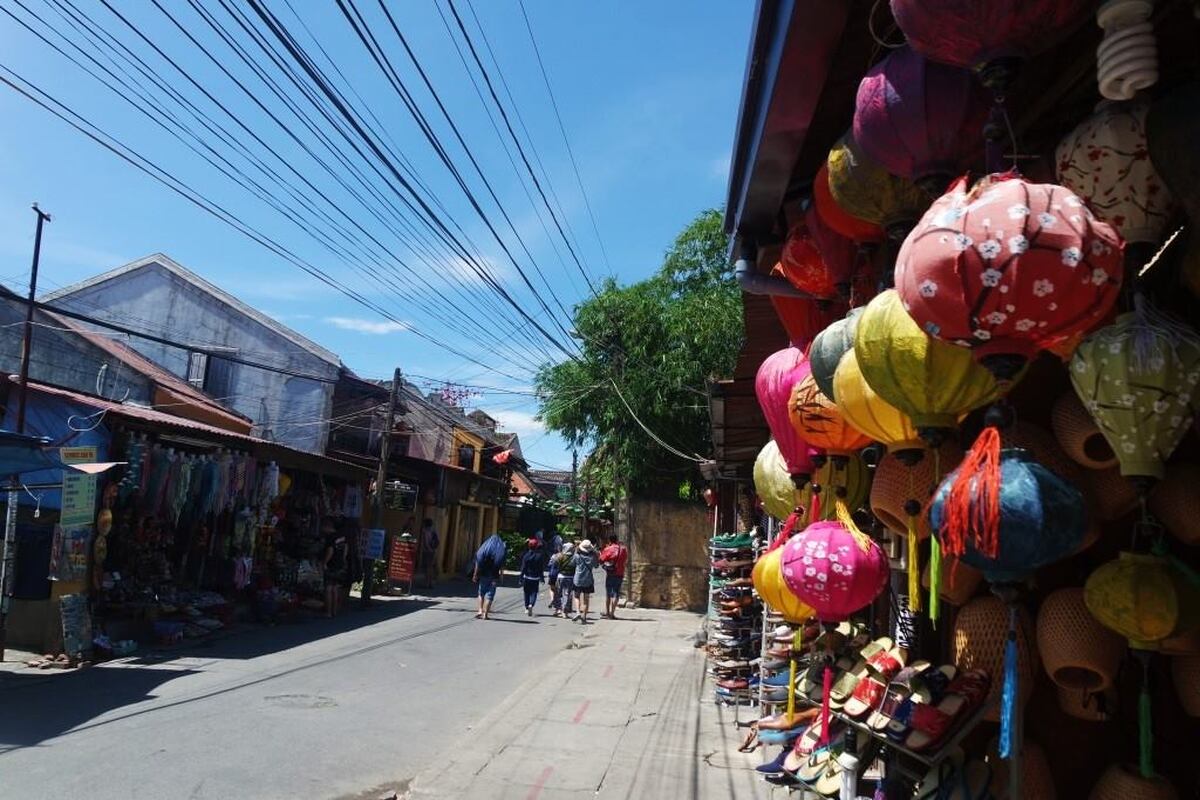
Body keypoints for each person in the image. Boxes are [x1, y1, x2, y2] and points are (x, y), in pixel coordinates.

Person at [472, 532, 506, 620]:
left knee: (481, 593)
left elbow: (477, 563)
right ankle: (485, 614)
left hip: (483, 575)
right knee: (490, 596)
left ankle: (480, 610)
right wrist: (501, 576)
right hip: (494, 577)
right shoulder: (499, 552)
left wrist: (475, 574)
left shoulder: (484, 551)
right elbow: (501, 565)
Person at [321, 519, 348, 618]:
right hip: (340, 564)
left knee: (328, 588)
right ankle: (335, 611)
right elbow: (346, 548)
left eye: (323, 528)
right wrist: (343, 559)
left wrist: (325, 562)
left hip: (331, 565)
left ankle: (328, 612)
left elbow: (330, 551)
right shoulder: (342, 536)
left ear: (327, 527)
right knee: (336, 588)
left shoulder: (330, 538)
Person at [598, 533, 629, 620]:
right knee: (616, 593)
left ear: (610, 540)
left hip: (611, 573)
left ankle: (608, 613)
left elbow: (601, 559)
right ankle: (612, 613)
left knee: (609, 594)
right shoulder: (623, 549)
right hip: (620, 573)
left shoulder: (609, 549)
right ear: (617, 539)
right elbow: (625, 560)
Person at [570, 539, 598, 624]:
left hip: (578, 579)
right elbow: (596, 565)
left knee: (576, 596)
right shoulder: (592, 557)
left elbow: (572, 564)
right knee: (586, 599)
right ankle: (584, 617)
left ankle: (578, 612)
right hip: (588, 579)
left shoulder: (577, 555)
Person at [519, 538, 546, 617]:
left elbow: (523, 568)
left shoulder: (526, 556)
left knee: (526, 593)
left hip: (527, 577)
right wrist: (542, 578)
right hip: (536, 578)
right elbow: (541, 568)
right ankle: (531, 604)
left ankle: (527, 607)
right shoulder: (539, 556)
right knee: (534, 593)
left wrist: (520, 578)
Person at [552, 543, 575, 618]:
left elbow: (554, 564)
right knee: (568, 594)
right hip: (571, 578)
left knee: (558, 593)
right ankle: (565, 611)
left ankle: (558, 609)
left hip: (561, 577)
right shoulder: (574, 557)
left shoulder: (560, 556)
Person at [418, 518, 439, 589]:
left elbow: (426, 542)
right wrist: (432, 549)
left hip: (427, 551)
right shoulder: (433, 530)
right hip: (433, 551)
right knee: (430, 567)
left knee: (427, 568)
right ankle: (431, 583)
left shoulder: (426, 531)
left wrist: (428, 549)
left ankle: (427, 583)